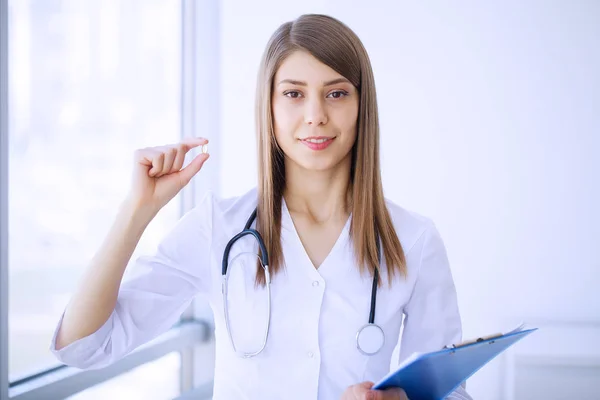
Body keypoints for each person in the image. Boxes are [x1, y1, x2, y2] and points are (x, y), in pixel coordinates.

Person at [50, 14, 472, 400]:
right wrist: (135, 211)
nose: (315, 115)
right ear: (268, 107)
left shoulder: (413, 241)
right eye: (293, 93)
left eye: (337, 93)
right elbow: (85, 347)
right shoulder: (218, 228)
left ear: (363, 106)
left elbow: (449, 393)